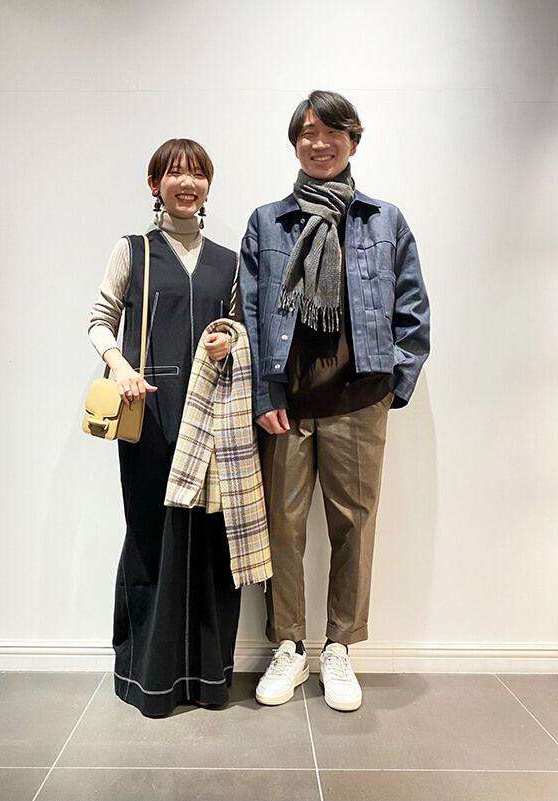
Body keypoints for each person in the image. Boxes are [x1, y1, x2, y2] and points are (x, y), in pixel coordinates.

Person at [239, 91, 430, 712]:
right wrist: (264, 392)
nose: (318, 144)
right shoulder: (268, 222)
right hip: (286, 406)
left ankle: (340, 648)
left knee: (354, 527)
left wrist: (391, 388)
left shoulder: (384, 220)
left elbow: (413, 311)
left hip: (358, 400)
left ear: (353, 141)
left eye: (331, 133)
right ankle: (290, 645)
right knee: (282, 528)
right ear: (295, 143)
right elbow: (251, 313)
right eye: (307, 133)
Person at [88, 138, 240, 717]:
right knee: (152, 535)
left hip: (212, 417)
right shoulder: (134, 251)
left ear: (207, 186)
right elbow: (100, 320)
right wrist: (121, 367)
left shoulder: (228, 261)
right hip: (148, 413)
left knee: (210, 540)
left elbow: (242, 328)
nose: (187, 182)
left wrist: (230, 340)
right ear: (156, 185)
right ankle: (147, 677)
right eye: (175, 172)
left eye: (197, 173)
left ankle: (208, 676)